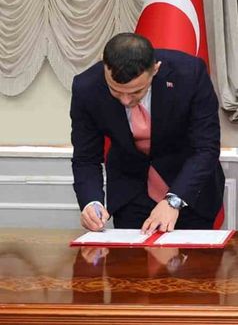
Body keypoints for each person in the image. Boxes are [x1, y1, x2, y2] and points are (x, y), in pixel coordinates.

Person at [71, 32, 224, 235]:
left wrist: (174, 200)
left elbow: (206, 148)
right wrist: (91, 201)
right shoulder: (86, 87)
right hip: (131, 192)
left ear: (155, 69)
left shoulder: (189, 74)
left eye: (136, 92)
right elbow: (86, 157)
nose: (125, 100)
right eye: (116, 91)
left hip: (188, 189)